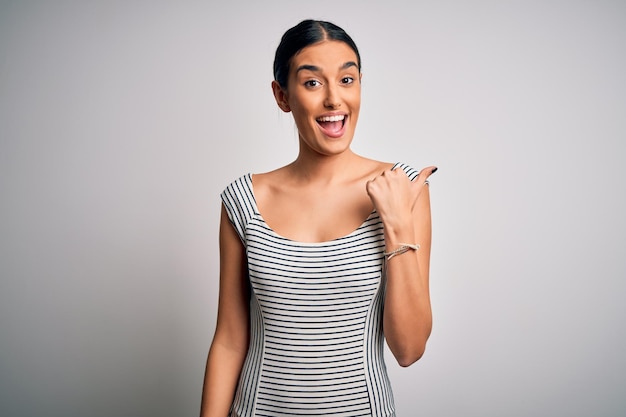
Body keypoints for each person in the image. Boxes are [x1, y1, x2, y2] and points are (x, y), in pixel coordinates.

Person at [200, 19, 437, 417]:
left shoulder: (401, 190)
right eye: (312, 83)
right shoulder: (243, 200)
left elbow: (409, 349)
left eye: (347, 79)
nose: (334, 100)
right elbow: (228, 339)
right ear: (282, 95)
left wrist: (395, 223)